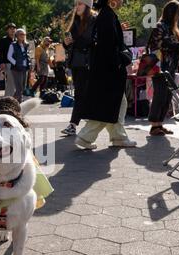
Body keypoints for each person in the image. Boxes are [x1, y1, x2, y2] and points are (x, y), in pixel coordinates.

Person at [74, 0, 137, 149]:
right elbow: (109, 46)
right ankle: (85, 137)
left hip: (104, 69)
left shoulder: (105, 15)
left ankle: (118, 137)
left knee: (116, 104)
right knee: (109, 106)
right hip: (109, 70)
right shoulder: (107, 16)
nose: (122, 1)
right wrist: (123, 60)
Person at [147, 0, 179, 136]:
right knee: (160, 95)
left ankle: (159, 124)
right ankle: (154, 125)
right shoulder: (160, 26)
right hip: (160, 67)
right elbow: (164, 44)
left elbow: (174, 47)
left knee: (167, 96)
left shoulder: (171, 28)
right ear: (172, 13)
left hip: (169, 67)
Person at [62, 0, 97, 136]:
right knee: (81, 94)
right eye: (76, 4)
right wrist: (66, 43)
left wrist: (75, 41)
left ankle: (74, 124)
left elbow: (90, 41)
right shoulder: (75, 22)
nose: (77, 7)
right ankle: (76, 125)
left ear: (88, 6)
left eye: (80, 4)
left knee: (83, 94)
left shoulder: (94, 20)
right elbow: (70, 45)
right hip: (76, 63)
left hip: (88, 63)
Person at [7, 28, 30, 103]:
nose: (23, 36)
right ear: (16, 35)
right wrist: (16, 63)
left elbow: (28, 55)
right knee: (19, 87)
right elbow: (9, 56)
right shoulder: (13, 45)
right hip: (16, 69)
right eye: (21, 34)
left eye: (24, 34)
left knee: (22, 88)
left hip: (24, 68)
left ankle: (10, 102)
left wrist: (29, 63)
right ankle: (19, 102)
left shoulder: (26, 45)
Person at [0, 23, 17, 97]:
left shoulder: (16, 40)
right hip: (7, 63)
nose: (12, 30)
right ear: (7, 30)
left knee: (15, 82)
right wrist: (1, 62)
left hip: (16, 64)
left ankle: (12, 98)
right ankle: (8, 98)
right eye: (10, 28)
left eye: (14, 28)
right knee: (10, 82)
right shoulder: (4, 40)